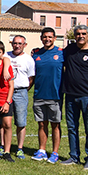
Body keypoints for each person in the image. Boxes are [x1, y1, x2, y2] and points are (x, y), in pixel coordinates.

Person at [60, 25, 88, 170]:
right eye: (78, 34)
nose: (80, 36)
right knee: (72, 128)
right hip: (71, 96)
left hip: (87, 97)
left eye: (83, 33)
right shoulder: (70, 50)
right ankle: (74, 156)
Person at [30, 28, 63, 164]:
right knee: (42, 124)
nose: (47, 39)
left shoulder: (61, 53)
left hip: (55, 96)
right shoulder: (36, 54)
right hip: (39, 95)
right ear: (41, 38)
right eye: (45, 37)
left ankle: (55, 153)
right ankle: (42, 150)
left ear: (54, 38)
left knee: (55, 125)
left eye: (50, 37)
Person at [2, 35, 35, 160]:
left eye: (20, 43)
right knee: (4, 121)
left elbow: (31, 78)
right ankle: (3, 146)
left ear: (24, 45)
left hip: (21, 92)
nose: (17, 45)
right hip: (6, 92)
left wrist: (24, 89)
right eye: (15, 43)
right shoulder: (6, 55)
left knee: (21, 122)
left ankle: (20, 148)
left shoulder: (29, 59)